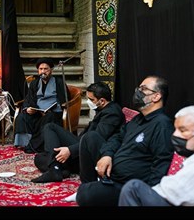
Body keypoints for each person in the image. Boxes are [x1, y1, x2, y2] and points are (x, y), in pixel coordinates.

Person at [75, 75, 174, 206]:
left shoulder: (162, 125)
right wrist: (107, 155)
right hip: (112, 171)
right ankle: (97, 184)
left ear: (156, 96)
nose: (137, 92)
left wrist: (145, 196)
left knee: (85, 194)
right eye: (139, 88)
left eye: (143, 89)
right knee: (90, 138)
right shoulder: (138, 119)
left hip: (126, 184)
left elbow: (161, 163)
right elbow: (117, 137)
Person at [118, 105, 194, 206]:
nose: (176, 135)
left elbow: (175, 193)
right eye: (175, 129)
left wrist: (149, 192)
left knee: (133, 188)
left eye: (183, 130)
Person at [31, 82, 125, 183]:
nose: (89, 102)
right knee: (39, 157)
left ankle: (56, 168)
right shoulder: (103, 109)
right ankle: (58, 168)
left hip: (90, 153)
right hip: (81, 146)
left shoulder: (112, 113)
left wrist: (70, 150)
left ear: (102, 101)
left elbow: (94, 139)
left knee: (50, 129)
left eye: (91, 100)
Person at [14, 58, 70, 153]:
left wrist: (54, 108)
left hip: (53, 113)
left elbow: (65, 99)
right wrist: (28, 109)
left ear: (51, 70)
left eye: (46, 69)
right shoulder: (34, 83)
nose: (43, 71)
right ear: (38, 70)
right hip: (38, 112)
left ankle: (35, 145)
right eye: (41, 69)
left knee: (49, 118)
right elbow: (29, 98)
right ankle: (24, 143)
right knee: (22, 116)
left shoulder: (59, 82)